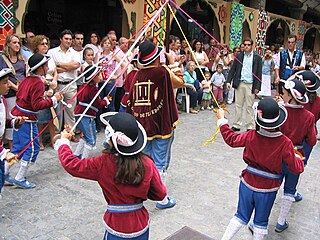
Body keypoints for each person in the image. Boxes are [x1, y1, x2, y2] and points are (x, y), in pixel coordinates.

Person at [54, 112, 167, 239]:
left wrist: (63, 142)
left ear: (112, 140)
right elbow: (160, 194)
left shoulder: (103, 163)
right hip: (140, 224)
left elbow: (72, 165)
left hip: (116, 224)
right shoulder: (147, 163)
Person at [218, 98, 304, 240]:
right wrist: (299, 160)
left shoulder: (251, 135)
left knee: (240, 216)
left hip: (247, 183)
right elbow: (295, 168)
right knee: (260, 223)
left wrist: (222, 120)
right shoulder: (285, 143)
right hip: (267, 189)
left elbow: (232, 139)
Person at [127, 40, 184, 209]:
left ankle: (143, 190)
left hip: (142, 125)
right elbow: (179, 81)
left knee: (145, 159)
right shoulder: (162, 71)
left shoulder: (137, 75)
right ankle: (161, 198)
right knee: (160, 162)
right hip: (161, 123)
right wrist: (173, 63)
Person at [5, 54, 64, 189]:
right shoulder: (37, 82)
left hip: (17, 116)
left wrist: (45, 97)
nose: (48, 67)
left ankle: (5, 173)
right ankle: (20, 177)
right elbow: (37, 105)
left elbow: (27, 97)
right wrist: (54, 100)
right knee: (32, 148)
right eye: (46, 65)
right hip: (27, 120)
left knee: (18, 148)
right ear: (40, 68)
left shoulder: (27, 80)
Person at [275, 78, 316, 232]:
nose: (282, 94)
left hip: (278, 155)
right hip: (296, 155)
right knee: (290, 189)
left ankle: (261, 220)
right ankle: (281, 221)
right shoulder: (309, 116)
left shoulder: (280, 111)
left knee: (273, 185)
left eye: (284, 93)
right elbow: (311, 140)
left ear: (292, 96)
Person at [48, 29, 81, 142]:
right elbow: (52, 68)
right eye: (66, 38)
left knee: (70, 112)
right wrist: (68, 66)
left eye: (70, 39)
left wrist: (60, 64)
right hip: (58, 85)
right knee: (57, 112)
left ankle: (70, 134)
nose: (68, 41)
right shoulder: (52, 52)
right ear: (61, 39)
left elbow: (76, 65)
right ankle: (57, 136)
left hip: (71, 84)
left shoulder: (75, 53)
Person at [226, 38, 262, 131]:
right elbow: (233, 69)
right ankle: (237, 124)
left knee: (249, 106)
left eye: (248, 45)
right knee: (238, 105)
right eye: (245, 44)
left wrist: (258, 86)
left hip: (251, 84)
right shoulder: (239, 56)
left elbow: (259, 73)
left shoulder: (257, 58)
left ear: (252, 46)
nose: (246, 46)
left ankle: (250, 125)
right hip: (240, 83)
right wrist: (228, 81)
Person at [73, 65, 109, 159]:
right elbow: (97, 103)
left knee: (86, 136)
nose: (100, 76)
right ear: (94, 77)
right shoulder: (93, 89)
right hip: (86, 115)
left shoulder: (83, 86)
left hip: (78, 114)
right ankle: (84, 160)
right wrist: (106, 101)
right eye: (98, 75)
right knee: (91, 140)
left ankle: (76, 155)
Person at [0, 68, 25, 199]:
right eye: (5, 82)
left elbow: (3, 122)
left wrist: (15, 122)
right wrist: (4, 152)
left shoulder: (2, 100)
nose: (9, 85)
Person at [32, 35, 58, 150]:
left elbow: (55, 71)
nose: (45, 46)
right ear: (36, 46)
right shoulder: (34, 58)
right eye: (42, 44)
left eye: (46, 43)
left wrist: (54, 82)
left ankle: (54, 140)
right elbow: (33, 75)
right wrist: (47, 84)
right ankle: (40, 141)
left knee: (52, 116)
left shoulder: (50, 57)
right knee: (41, 117)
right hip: (41, 87)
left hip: (51, 87)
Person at [0, 34, 26, 149]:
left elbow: (25, 74)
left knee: (20, 119)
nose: (17, 45)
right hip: (10, 92)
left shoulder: (21, 58)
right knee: (11, 116)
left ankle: (20, 143)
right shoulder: (3, 58)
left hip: (21, 92)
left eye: (18, 43)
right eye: (14, 42)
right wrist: (17, 88)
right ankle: (11, 146)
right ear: (8, 44)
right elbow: (4, 78)